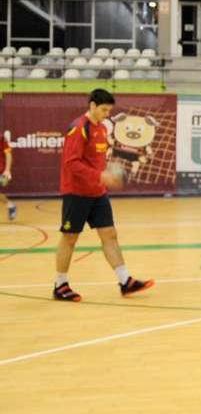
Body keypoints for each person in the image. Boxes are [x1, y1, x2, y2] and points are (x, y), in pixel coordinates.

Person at [53, 89, 154, 302]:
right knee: (70, 238)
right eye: (104, 109)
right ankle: (60, 284)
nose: (107, 114)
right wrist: (100, 175)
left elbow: (97, 161)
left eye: (109, 110)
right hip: (77, 192)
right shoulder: (79, 128)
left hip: (98, 193)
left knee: (110, 234)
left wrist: (107, 175)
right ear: (92, 106)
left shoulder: (100, 129)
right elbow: (71, 163)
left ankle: (125, 281)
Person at [0, 130, 16, 221]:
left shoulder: (1, 138)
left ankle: (10, 205)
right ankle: (10, 205)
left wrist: (7, 170)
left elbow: (8, 154)